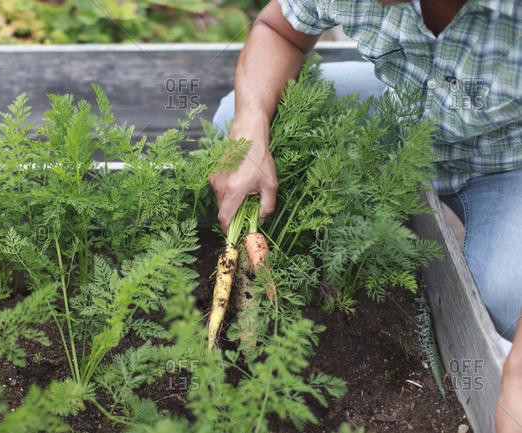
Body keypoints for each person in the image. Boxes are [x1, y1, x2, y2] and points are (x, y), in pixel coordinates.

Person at [207, 0, 522, 430]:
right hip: (402, 116)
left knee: (501, 299)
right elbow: (277, 30)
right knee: (231, 118)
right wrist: (250, 131)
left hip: (506, 160)